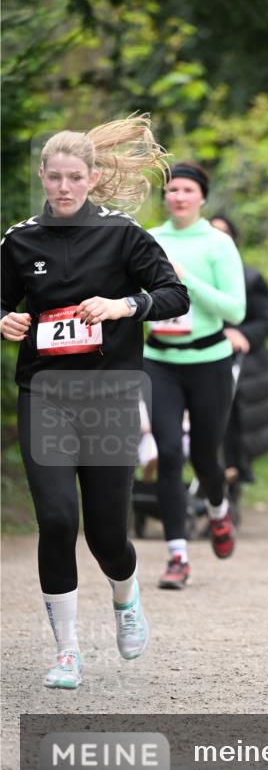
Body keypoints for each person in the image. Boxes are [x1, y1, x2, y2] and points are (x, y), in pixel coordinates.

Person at [0, 114, 189, 689]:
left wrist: (124, 305)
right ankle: (66, 651)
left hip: (109, 393)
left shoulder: (123, 233)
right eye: (53, 177)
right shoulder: (18, 239)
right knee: (57, 520)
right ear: (42, 177)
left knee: (108, 534)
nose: (63, 187)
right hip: (46, 393)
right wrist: (5, 320)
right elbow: (5, 303)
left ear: (91, 178)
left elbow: (174, 295)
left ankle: (127, 599)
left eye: (73, 177)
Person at [145, 163, 245, 588]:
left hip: (208, 361)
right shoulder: (148, 240)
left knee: (205, 456)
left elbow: (235, 311)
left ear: (202, 196)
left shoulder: (217, 244)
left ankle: (219, 513)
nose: (178, 197)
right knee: (168, 453)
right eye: (170, 190)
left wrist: (186, 283)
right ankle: (177, 556)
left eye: (186, 190)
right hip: (158, 360)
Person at [209, 214, 268, 517]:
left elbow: (266, 322)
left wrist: (241, 334)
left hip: (242, 367)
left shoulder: (250, 278)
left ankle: (232, 485)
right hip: (197, 359)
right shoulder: (186, 278)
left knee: (230, 427)